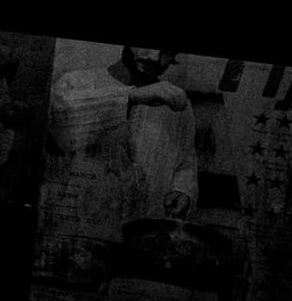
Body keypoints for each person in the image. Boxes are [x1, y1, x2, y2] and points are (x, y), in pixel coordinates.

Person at [48, 45, 199, 241]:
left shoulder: (178, 106)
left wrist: (183, 190)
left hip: (144, 239)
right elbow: (63, 129)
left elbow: (186, 162)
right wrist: (131, 97)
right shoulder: (76, 82)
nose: (154, 57)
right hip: (79, 234)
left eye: (167, 51)